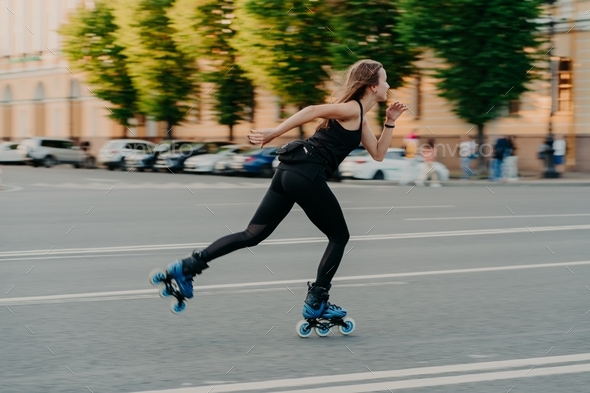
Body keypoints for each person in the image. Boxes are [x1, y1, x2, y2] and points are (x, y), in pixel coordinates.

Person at [164, 59, 408, 320]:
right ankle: (318, 300)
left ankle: (188, 266)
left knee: (252, 234)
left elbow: (379, 154)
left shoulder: (360, 119)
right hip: (306, 172)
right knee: (339, 237)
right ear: (372, 86)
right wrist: (275, 132)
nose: (388, 85)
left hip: (288, 172)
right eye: (385, 79)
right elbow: (313, 109)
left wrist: (390, 122)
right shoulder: (351, 109)